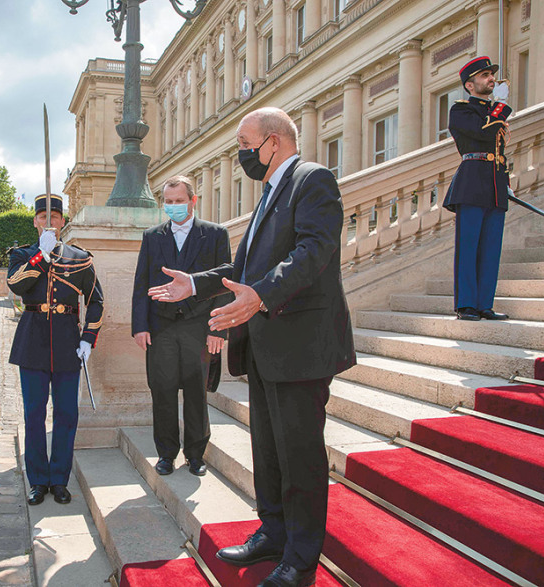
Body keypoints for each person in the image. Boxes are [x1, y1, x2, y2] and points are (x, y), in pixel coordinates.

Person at [148, 107, 355, 587]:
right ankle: (274, 532)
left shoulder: (312, 180)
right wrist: (195, 285)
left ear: (274, 142)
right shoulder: (269, 193)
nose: (241, 153)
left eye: (245, 143)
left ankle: (301, 560)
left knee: (299, 453)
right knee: (267, 446)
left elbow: (314, 250)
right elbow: (240, 267)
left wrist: (262, 295)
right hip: (266, 343)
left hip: (301, 344)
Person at [131, 175, 231, 477]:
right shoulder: (152, 236)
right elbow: (141, 283)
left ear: (193, 200)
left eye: (179, 201)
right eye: (169, 202)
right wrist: (140, 326)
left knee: (196, 392)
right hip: (160, 328)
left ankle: (196, 454)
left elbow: (225, 282)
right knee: (161, 392)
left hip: (198, 328)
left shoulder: (215, 235)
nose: (173, 207)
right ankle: (165, 454)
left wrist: (218, 329)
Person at [7, 193, 103, 506]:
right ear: (35, 221)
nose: (49, 222)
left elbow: (96, 300)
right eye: (43, 218)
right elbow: (16, 285)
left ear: (63, 222)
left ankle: (59, 480)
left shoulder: (79, 258)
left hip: (66, 343)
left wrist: (88, 337)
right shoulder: (22, 255)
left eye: (55, 218)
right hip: (33, 341)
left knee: (66, 415)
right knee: (34, 415)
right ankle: (37, 480)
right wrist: (40, 256)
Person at [443, 56, 513, 321]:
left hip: (495, 183)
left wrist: (506, 183)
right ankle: (466, 305)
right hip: (472, 181)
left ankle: (485, 304)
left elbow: (498, 149)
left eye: (491, 75)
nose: (491, 79)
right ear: (470, 85)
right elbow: (484, 131)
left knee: (491, 249)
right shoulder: (461, 110)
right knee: (469, 246)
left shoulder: (492, 111)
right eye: (484, 76)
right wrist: (502, 108)